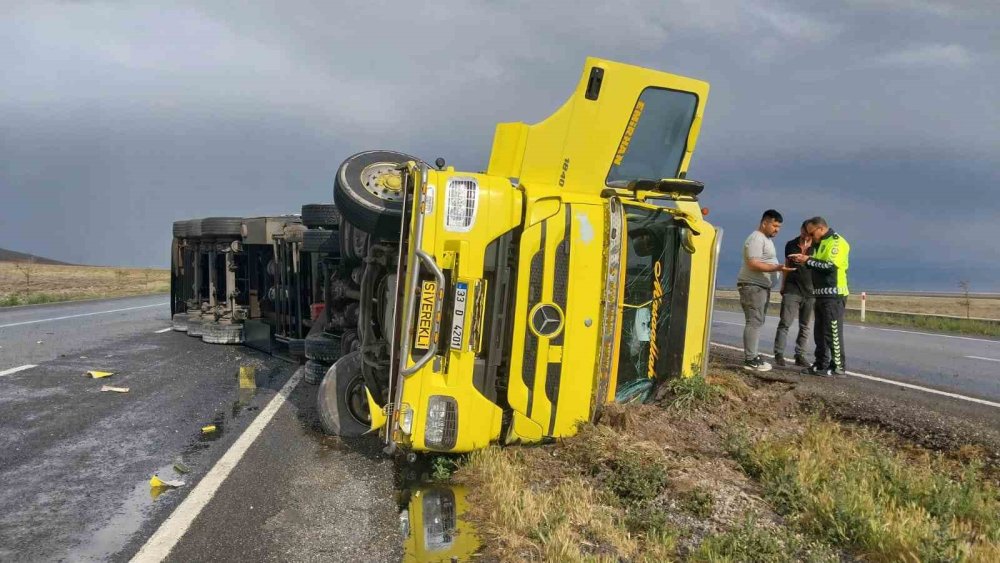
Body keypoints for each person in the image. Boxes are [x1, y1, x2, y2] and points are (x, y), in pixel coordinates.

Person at [789, 216, 851, 376]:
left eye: (811, 233)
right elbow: (817, 264)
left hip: (834, 294)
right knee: (820, 332)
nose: (810, 237)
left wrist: (808, 260)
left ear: (821, 228)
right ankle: (821, 363)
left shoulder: (837, 242)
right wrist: (805, 260)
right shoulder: (820, 243)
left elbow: (830, 265)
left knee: (833, 332)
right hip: (820, 294)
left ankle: (838, 367)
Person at [737, 210, 793, 372]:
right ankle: (750, 359)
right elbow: (753, 263)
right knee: (754, 321)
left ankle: (753, 355)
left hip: (760, 287)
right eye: (774, 226)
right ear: (764, 223)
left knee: (757, 321)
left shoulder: (765, 239)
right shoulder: (756, 238)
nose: (777, 230)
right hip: (752, 286)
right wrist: (777, 268)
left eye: (779, 227)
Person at [773, 222, 814, 367]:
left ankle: (800, 355)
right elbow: (786, 265)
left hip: (811, 291)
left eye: (808, 234)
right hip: (792, 289)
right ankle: (779, 354)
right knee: (785, 323)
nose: (805, 236)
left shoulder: (817, 246)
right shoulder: (790, 244)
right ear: (801, 230)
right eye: (804, 233)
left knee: (805, 325)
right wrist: (783, 285)